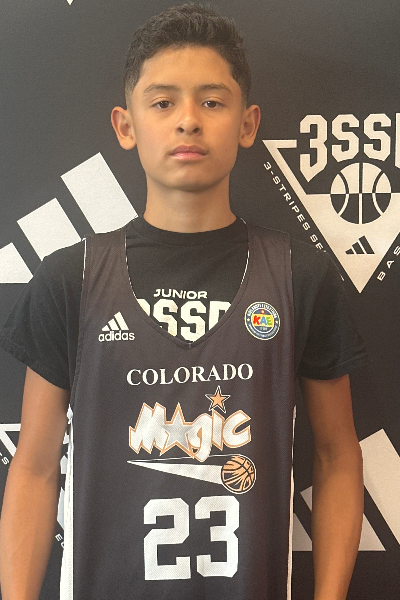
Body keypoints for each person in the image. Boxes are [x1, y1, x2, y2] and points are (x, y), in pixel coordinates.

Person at [0, 4, 367, 599]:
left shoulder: (298, 275)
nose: (189, 121)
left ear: (248, 124)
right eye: (163, 102)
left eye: (212, 102)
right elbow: (37, 467)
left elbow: (336, 457)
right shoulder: (72, 278)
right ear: (126, 126)